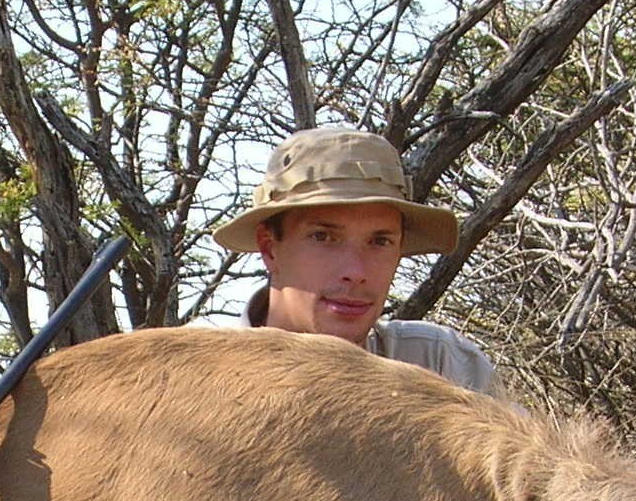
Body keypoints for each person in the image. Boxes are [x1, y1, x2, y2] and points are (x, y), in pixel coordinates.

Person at [212, 124, 504, 397]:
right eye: (323, 237)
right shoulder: (194, 376)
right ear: (269, 248)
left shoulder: (447, 369)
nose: (356, 272)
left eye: (380, 241)